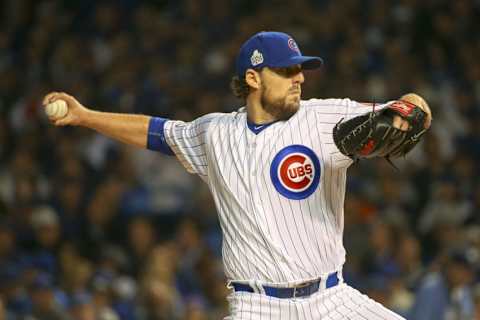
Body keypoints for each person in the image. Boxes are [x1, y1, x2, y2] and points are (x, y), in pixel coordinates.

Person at [43, 31, 432, 319]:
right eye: (286, 70)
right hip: (256, 306)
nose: (299, 77)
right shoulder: (214, 133)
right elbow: (155, 132)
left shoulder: (325, 116)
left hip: (331, 298)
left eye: (301, 69)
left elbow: (414, 108)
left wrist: (410, 110)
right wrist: (85, 116)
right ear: (253, 78)